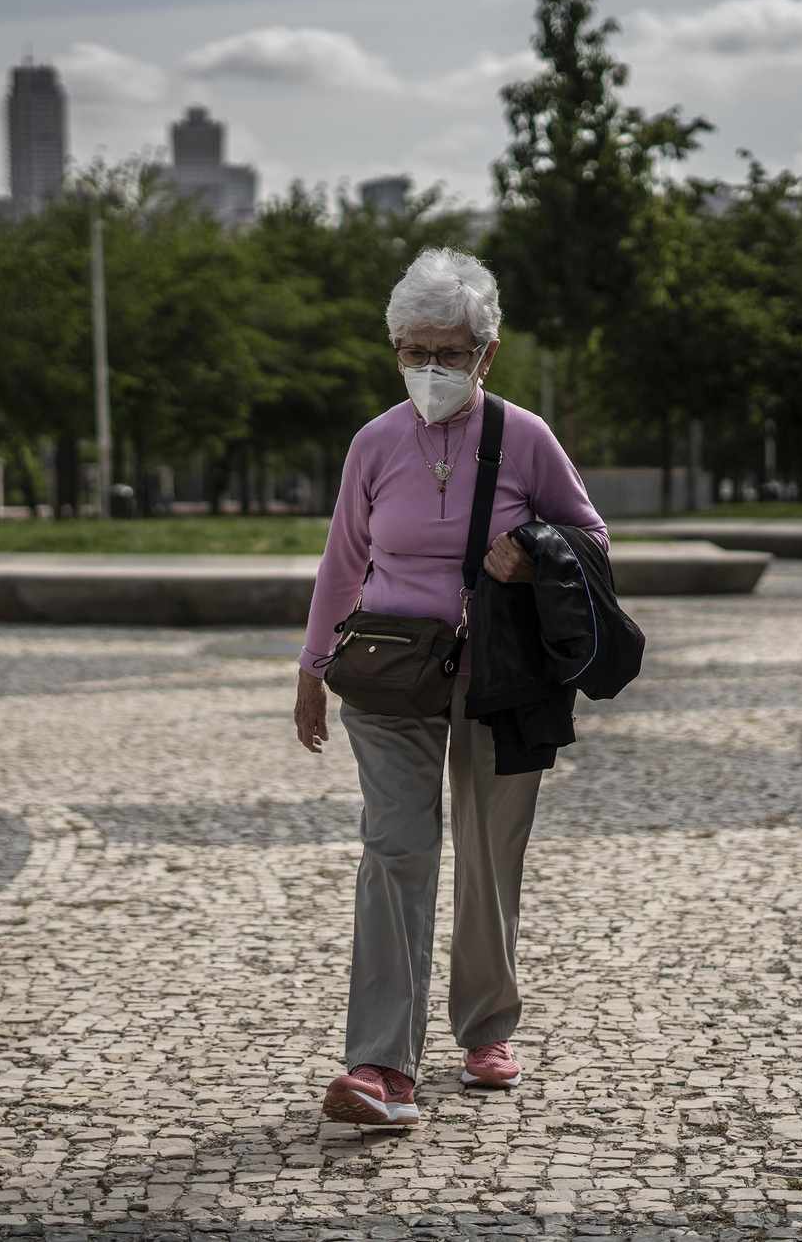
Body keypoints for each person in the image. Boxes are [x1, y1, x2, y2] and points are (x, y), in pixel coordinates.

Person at [292, 247, 608, 1128]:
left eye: (448, 352)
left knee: (488, 854)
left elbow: (591, 537)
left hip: (501, 680)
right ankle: (380, 1062)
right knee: (395, 852)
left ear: (486, 353)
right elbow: (341, 560)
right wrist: (313, 668)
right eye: (411, 351)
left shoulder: (525, 437)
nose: (429, 369)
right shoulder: (374, 442)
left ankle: (485, 1028)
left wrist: (532, 552)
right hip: (391, 676)